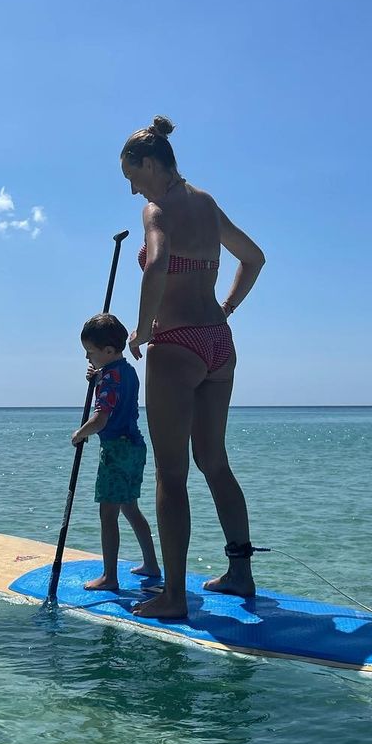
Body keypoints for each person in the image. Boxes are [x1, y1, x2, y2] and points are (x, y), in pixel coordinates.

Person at [123, 115, 265, 621]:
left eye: (131, 175)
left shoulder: (155, 209)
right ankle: (239, 571)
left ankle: (174, 597)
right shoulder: (206, 203)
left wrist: (142, 329)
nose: (131, 187)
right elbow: (254, 258)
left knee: (170, 475)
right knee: (214, 462)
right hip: (219, 344)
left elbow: (158, 263)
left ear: (149, 163)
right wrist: (226, 309)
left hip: (177, 344)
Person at [70, 312, 162, 591]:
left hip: (116, 450)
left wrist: (79, 434)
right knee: (131, 508)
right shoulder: (126, 371)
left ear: (108, 350)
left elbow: (101, 419)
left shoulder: (109, 378)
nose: (88, 358)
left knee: (107, 516)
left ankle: (109, 577)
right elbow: (113, 382)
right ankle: (151, 564)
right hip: (135, 446)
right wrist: (98, 376)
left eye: (90, 353)